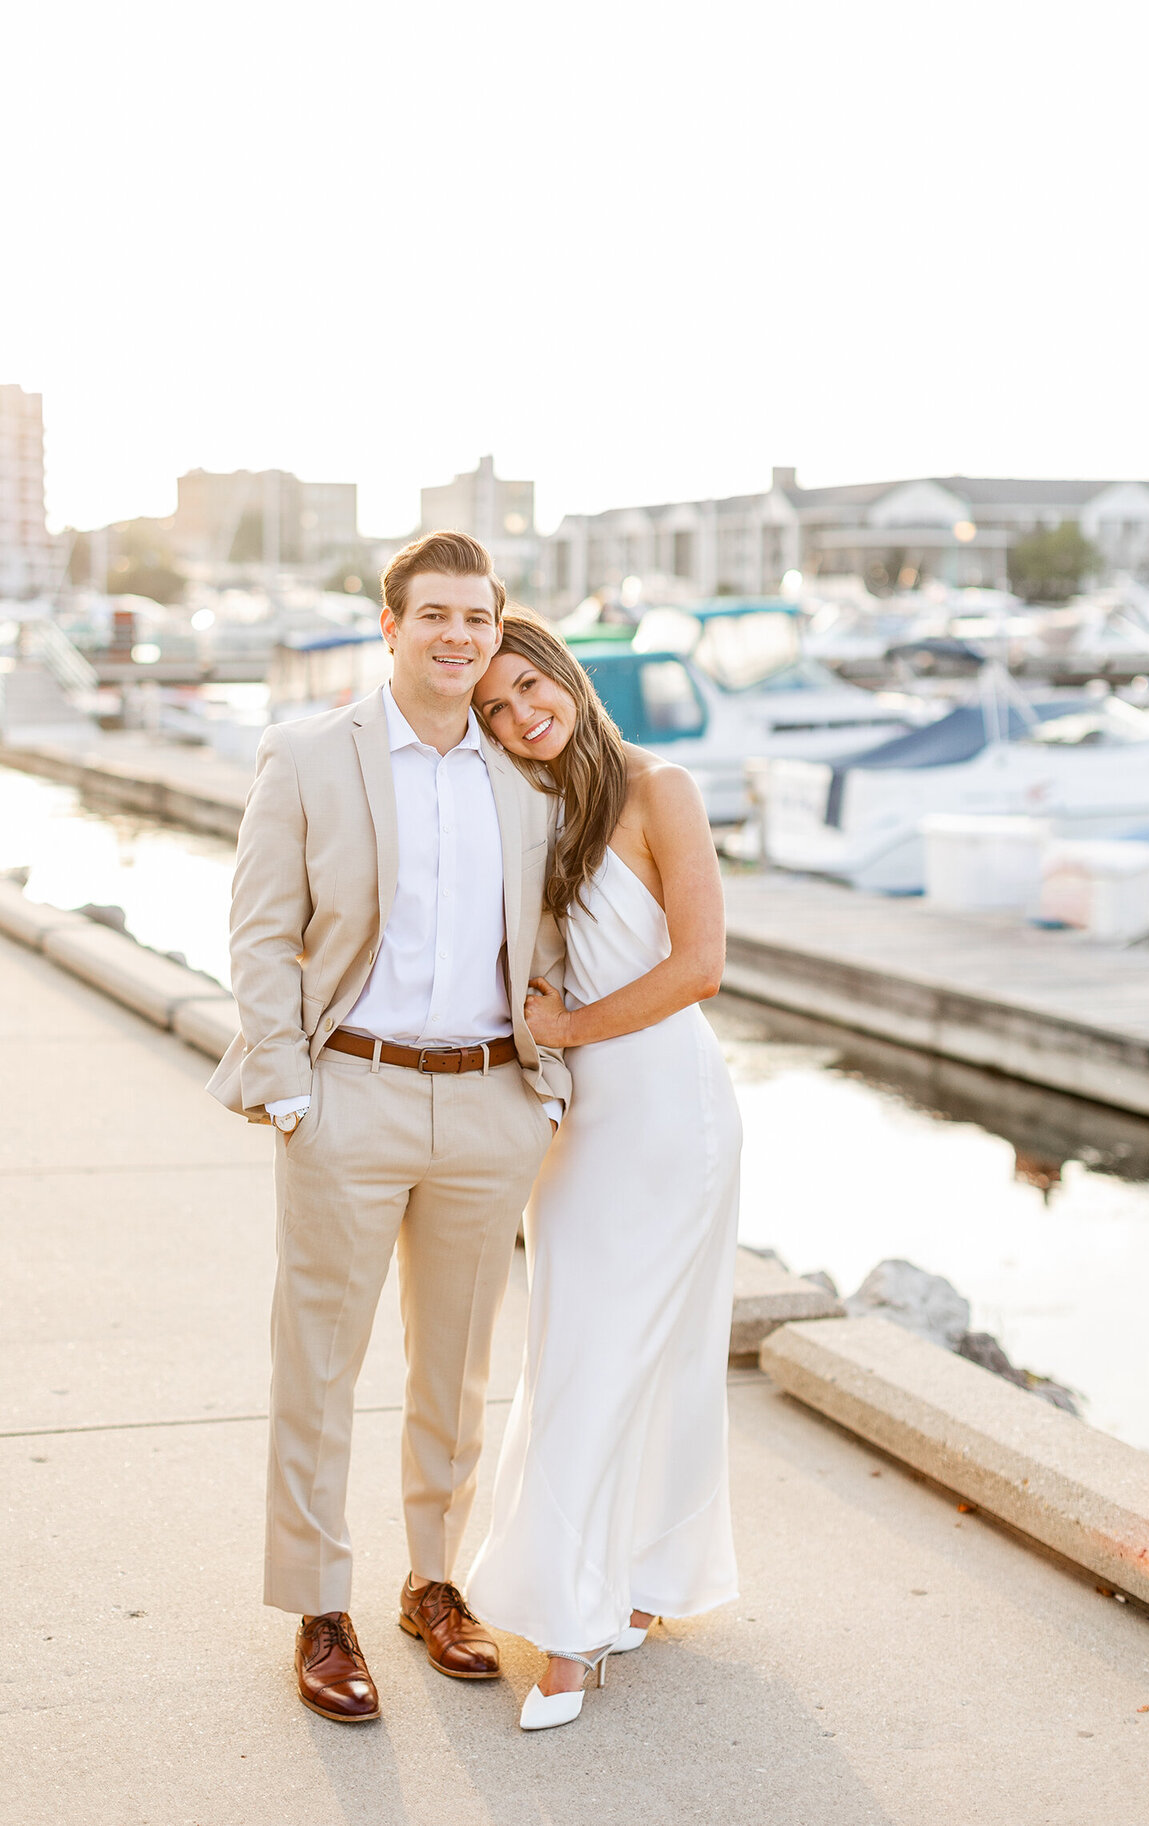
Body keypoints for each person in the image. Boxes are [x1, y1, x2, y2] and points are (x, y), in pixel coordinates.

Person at [207, 533, 570, 1723]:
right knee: (317, 1362)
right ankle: (320, 1606)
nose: (459, 637)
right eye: (436, 617)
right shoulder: (311, 753)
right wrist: (288, 1084)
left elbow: (553, 931)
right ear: (391, 626)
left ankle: (435, 1583)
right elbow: (261, 931)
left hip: (487, 1098)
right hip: (349, 1093)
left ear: (496, 625)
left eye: (478, 616)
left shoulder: (523, 768)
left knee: (456, 1369)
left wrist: (546, 1078)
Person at [467, 611, 742, 1731]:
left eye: (530, 688)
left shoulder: (658, 785)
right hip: (579, 1122)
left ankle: (578, 1630)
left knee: (628, 1352)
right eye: (496, 709)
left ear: (567, 676)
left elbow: (701, 963)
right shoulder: (537, 802)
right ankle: (626, 1577)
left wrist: (570, 1024)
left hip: (670, 1111)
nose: (522, 716)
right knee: (581, 1345)